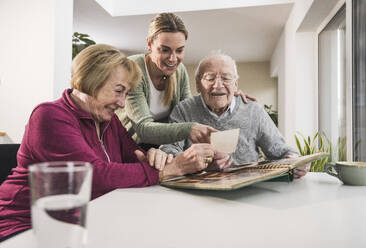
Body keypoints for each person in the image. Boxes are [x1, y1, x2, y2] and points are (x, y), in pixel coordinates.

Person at [0, 44, 216, 241]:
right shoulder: (48, 116)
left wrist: (155, 156)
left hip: (82, 220)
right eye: (119, 91)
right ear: (91, 80)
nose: (122, 103)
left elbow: (135, 155)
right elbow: (94, 176)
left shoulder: (108, 120)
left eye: (126, 93)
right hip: (24, 226)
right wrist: (170, 169)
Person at [117, 13, 255, 150]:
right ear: (149, 44)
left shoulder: (179, 71)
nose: (172, 58)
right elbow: (143, 129)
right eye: (165, 50)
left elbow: (189, 111)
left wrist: (224, 95)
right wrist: (189, 129)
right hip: (131, 148)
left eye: (179, 50)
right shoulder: (133, 68)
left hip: (164, 147)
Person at [160, 52, 309, 178]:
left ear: (235, 84)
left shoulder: (254, 111)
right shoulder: (183, 110)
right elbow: (169, 151)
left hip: (247, 192)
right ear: (198, 85)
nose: (218, 85)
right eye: (210, 78)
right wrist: (198, 164)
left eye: (226, 78)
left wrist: (295, 161)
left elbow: (280, 150)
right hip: (197, 195)